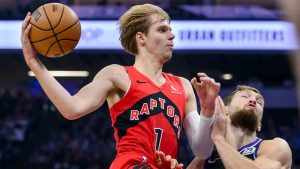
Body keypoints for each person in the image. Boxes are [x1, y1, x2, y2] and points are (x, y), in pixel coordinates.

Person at [21, 4, 220, 169]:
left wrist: (208, 111)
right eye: (162, 30)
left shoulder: (183, 85)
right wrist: (33, 62)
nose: (172, 36)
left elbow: (201, 151)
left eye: (170, 30)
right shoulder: (118, 74)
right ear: (141, 38)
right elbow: (72, 108)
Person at [186, 85, 293, 169]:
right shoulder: (205, 158)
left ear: (259, 125)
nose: (253, 100)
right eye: (245, 96)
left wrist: (219, 139)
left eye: (259, 102)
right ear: (225, 110)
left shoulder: (276, 147)